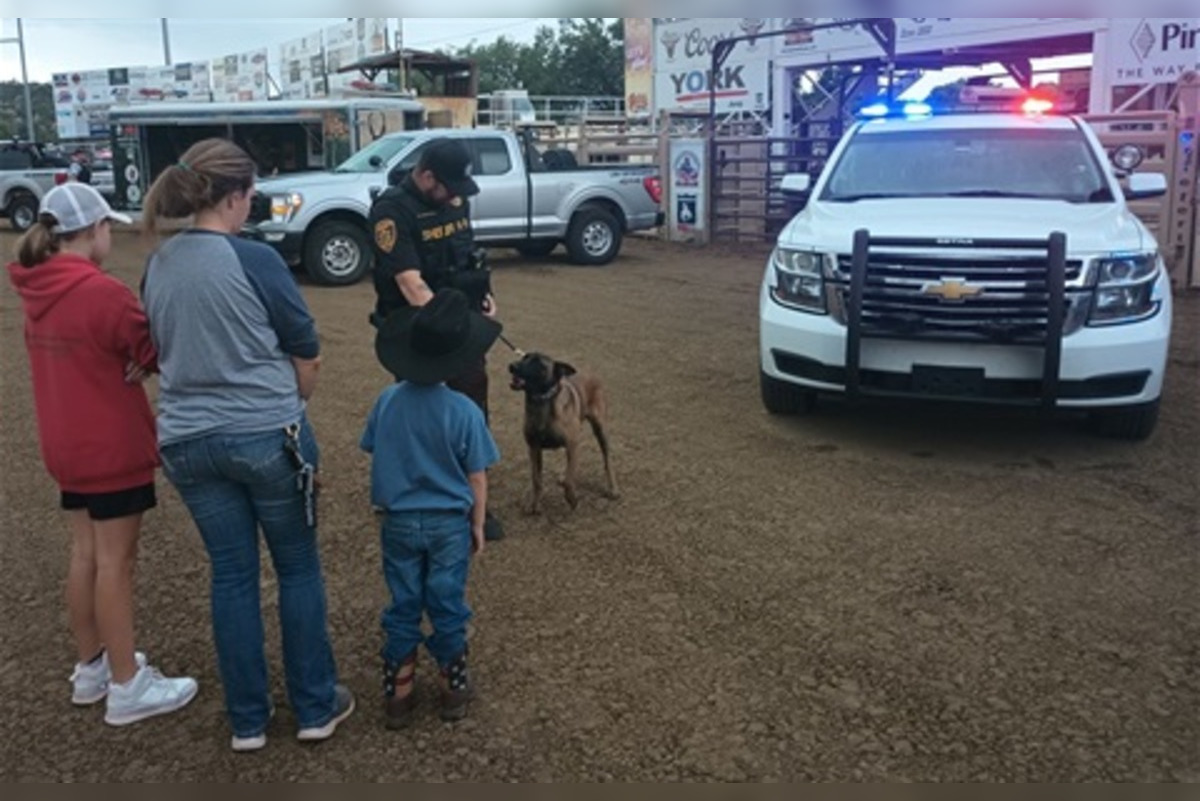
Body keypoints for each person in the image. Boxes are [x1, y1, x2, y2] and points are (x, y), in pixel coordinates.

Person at [139, 138, 353, 752]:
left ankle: (248, 721)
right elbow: (305, 351)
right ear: (234, 197)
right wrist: (292, 403)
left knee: (231, 575)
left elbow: (156, 344)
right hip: (266, 433)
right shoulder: (254, 260)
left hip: (186, 439)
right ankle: (314, 706)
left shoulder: (159, 262)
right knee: (297, 568)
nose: (252, 203)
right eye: (251, 193)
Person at [6, 182, 198, 727]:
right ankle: (126, 685)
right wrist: (144, 360)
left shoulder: (36, 290)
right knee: (117, 562)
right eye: (106, 227)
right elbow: (153, 350)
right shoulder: (103, 293)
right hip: (111, 443)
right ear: (93, 231)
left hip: (64, 441)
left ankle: (92, 666)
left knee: (86, 554)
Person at [364, 288, 501, 728]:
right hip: (448, 524)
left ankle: (399, 692)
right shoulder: (463, 411)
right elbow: (477, 475)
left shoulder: (386, 402)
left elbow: (374, 447)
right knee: (446, 600)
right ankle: (452, 686)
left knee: (404, 600)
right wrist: (477, 524)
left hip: (399, 520)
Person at [368, 137, 507, 542]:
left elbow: (466, 255)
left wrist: (483, 294)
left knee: (471, 402)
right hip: (418, 326)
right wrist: (450, 329)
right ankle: (407, 491)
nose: (455, 198)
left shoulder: (455, 198)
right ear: (426, 176)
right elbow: (411, 284)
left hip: (459, 318)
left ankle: (474, 498)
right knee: (416, 407)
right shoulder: (391, 212)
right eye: (448, 187)